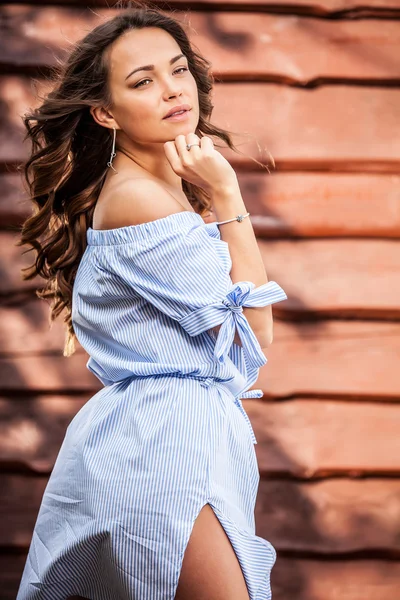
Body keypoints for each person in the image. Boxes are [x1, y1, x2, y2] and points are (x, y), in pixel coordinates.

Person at [16, 4, 287, 600]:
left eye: (178, 70)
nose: (172, 90)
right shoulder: (141, 199)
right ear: (105, 112)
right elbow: (255, 333)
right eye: (143, 81)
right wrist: (228, 193)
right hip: (162, 446)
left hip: (173, 435)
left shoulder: (160, 190)